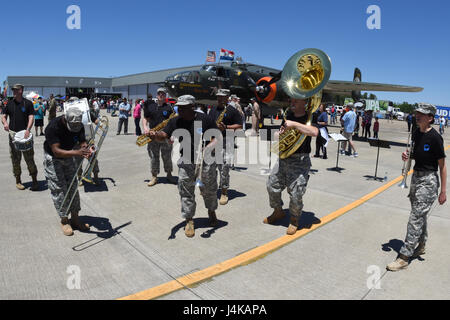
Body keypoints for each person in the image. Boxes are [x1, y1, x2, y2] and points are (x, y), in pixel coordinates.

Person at [387, 104, 447, 271]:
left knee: (415, 217)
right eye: (417, 113)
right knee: (420, 215)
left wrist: (443, 191)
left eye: (422, 114)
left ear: (430, 118)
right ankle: (421, 244)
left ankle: (404, 256)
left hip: (428, 181)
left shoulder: (435, 138)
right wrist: (406, 155)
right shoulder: (416, 133)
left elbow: (442, 166)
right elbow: (415, 154)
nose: (417, 116)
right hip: (416, 178)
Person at [149, 95, 220, 238]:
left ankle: (211, 211)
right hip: (186, 161)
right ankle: (189, 220)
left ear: (192, 107)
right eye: (178, 107)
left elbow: (217, 137)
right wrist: (155, 135)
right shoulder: (176, 120)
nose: (179, 110)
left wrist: (209, 148)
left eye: (182, 107)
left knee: (209, 190)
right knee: (185, 191)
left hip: (205, 161)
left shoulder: (205, 119)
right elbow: (164, 134)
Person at [264, 97, 319, 235]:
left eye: (296, 100)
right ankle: (278, 212)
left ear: (304, 102)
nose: (292, 103)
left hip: (300, 161)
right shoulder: (287, 115)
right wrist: (279, 134)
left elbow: (314, 132)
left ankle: (294, 219)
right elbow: (280, 132)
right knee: (272, 186)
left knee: (296, 194)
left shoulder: (310, 116)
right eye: (291, 100)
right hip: (284, 158)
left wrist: (294, 124)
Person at [43, 106, 93, 236]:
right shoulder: (53, 127)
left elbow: (82, 141)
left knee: (73, 187)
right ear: (65, 119)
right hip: (54, 159)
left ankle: (75, 219)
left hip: (69, 155)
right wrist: (77, 152)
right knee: (59, 189)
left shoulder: (78, 124)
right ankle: (64, 220)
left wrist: (86, 148)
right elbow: (56, 151)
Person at [1, 84, 39, 191]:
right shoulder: (9, 103)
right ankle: (18, 180)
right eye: (13, 90)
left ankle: (34, 180)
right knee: (15, 159)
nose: (14, 92)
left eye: (16, 90)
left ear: (21, 90)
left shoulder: (28, 103)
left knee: (29, 158)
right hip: (13, 135)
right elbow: (4, 116)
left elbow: (31, 117)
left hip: (25, 135)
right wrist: (4, 123)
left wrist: (28, 129)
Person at [208, 89, 243, 205]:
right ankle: (212, 189)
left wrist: (226, 127)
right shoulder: (212, 109)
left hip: (226, 142)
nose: (220, 99)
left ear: (227, 97)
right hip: (213, 142)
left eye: (222, 97)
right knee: (211, 169)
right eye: (218, 96)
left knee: (224, 169)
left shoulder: (232, 110)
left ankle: (224, 192)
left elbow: (239, 125)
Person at [143, 88, 175, 186]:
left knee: (167, 157)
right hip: (152, 135)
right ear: (156, 95)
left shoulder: (169, 108)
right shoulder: (151, 106)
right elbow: (145, 118)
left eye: (163, 94)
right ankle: (154, 176)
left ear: (165, 96)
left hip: (165, 136)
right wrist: (145, 128)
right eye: (159, 93)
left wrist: (172, 135)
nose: (161, 95)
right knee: (153, 156)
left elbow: (173, 122)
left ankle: (169, 174)